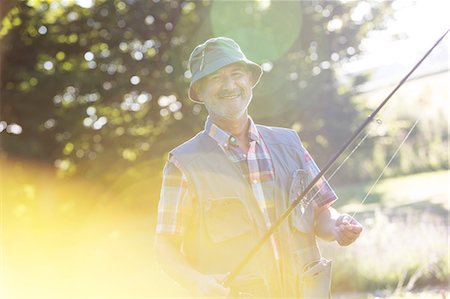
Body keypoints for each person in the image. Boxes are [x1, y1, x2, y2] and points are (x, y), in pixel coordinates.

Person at [154, 37, 363, 298]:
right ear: (200, 91)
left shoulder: (290, 143)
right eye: (216, 77)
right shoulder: (183, 163)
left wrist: (337, 226)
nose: (230, 85)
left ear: (250, 81)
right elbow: (165, 245)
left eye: (237, 74)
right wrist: (196, 282)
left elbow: (321, 213)